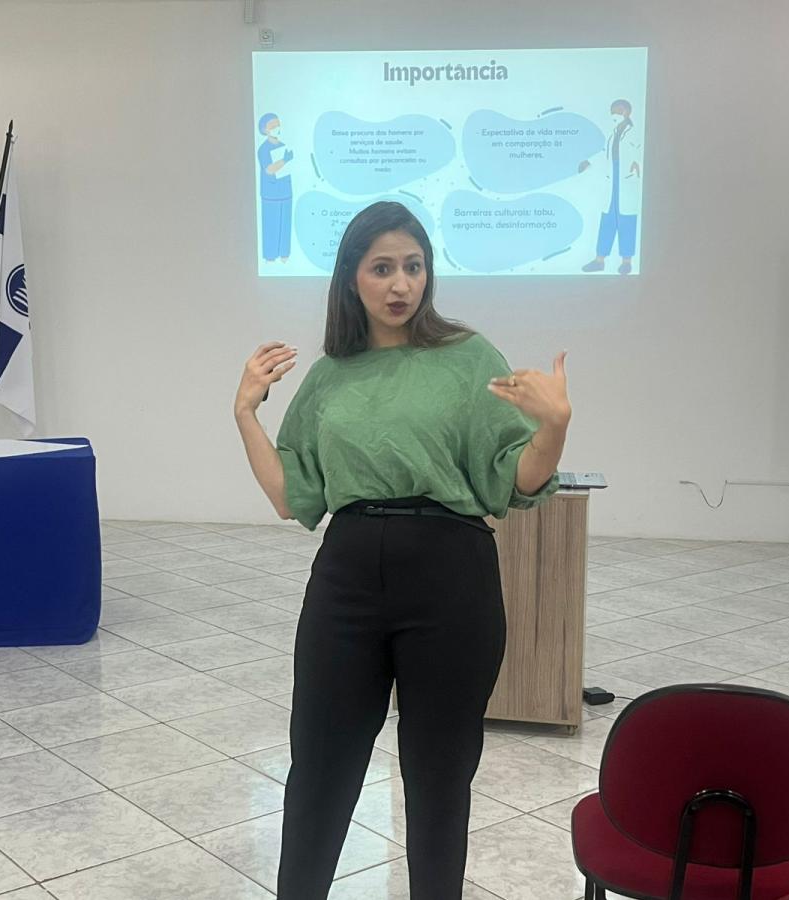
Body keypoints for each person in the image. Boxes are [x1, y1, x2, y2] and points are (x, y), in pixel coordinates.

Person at [233, 201, 571, 899]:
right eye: (382, 268)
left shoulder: (469, 357)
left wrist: (554, 427)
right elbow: (293, 497)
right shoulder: (330, 375)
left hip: (451, 575)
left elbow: (515, 479)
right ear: (350, 277)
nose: (401, 284)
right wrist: (244, 414)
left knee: (439, 776)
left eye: (413, 267)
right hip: (347, 575)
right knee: (319, 769)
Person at [579, 99, 643, 274]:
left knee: (626, 221)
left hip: (626, 180)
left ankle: (626, 262)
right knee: (608, 220)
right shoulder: (612, 134)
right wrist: (588, 162)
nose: (614, 114)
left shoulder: (635, 133)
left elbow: (641, 151)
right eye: (612, 111)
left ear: (626, 112)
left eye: (617, 111)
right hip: (612, 179)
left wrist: (637, 163)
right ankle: (599, 261)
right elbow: (604, 154)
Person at [258, 112, 294, 263]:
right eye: (273, 126)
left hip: (286, 192)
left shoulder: (283, 146)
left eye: (278, 125)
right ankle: (270, 257)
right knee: (271, 226)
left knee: (285, 226)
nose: (277, 128)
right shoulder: (263, 149)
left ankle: (284, 255)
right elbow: (269, 169)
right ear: (264, 130)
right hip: (270, 195)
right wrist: (285, 160)